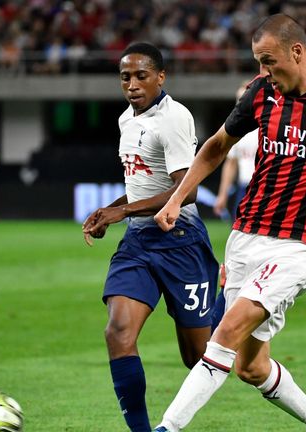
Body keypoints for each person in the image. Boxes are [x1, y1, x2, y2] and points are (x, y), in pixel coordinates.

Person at [152, 14, 306, 432]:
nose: (263, 72)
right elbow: (217, 145)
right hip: (247, 235)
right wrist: (177, 199)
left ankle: (167, 428)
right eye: (258, 62)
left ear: (297, 51)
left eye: (268, 61)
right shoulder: (261, 94)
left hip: (302, 245)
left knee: (227, 331)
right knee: (252, 367)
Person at [82, 42, 218, 432]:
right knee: (118, 331)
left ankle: (227, 309)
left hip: (182, 243)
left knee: (199, 358)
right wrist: (112, 210)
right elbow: (142, 188)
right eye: (125, 76)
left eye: (142, 75)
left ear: (161, 76)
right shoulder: (127, 119)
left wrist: (121, 211)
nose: (132, 84)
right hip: (139, 245)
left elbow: (186, 191)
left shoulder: (174, 118)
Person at [213, 83, 259, 221]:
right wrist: (222, 195)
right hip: (243, 188)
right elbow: (231, 163)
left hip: (263, 187)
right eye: (238, 100)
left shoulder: (266, 128)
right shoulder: (236, 131)